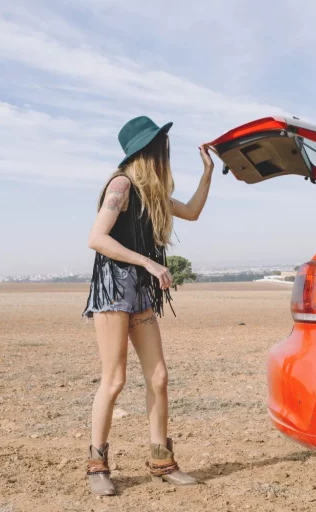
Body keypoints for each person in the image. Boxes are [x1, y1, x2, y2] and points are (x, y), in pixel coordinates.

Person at [82, 116, 214, 496]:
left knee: (158, 377)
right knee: (115, 379)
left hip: (139, 292)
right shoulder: (121, 185)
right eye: (159, 146)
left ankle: (161, 460)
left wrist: (207, 174)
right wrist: (149, 262)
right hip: (113, 290)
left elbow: (191, 211)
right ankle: (97, 465)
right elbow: (96, 238)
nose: (164, 152)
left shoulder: (151, 192)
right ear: (144, 151)